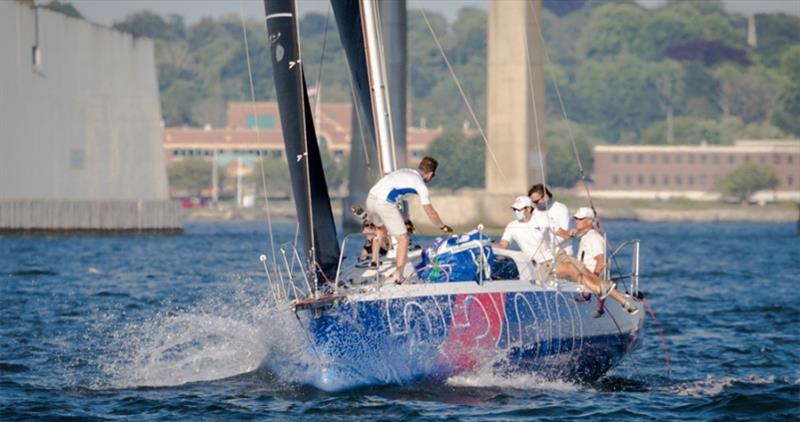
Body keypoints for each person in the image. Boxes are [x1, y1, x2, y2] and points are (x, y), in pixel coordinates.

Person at [498, 196, 638, 315]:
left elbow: (563, 234)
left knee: (588, 273)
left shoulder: (541, 218)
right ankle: (598, 289)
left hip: (557, 255)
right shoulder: (511, 226)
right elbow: (503, 246)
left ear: (528, 209)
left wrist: (570, 234)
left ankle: (625, 303)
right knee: (572, 268)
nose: (516, 212)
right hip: (542, 265)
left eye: (519, 209)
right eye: (514, 209)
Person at [366, 156, 453, 284]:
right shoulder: (420, 184)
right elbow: (430, 212)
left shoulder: (405, 171)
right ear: (430, 174)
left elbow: (392, 201)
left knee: (380, 229)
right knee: (403, 238)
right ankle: (399, 275)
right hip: (383, 203)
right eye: (432, 177)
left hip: (370, 199)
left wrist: (406, 221)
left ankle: (374, 261)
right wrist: (443, 226)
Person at [571, 206, 610, 317]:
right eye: (576, 219)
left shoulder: (594, 238)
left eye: (580, 219)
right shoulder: (585, 237)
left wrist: (591, 283)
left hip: (589, 287)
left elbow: (601, 262)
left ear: (589, 222)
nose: (577, 221)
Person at [528, 184, 573, 255]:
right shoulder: (535, 211)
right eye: (533, 202)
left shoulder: (561, 208)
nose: (535, 204)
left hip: (563, 253)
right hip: (542, 254)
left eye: (536, 201)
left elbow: (565, 233)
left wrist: (545, 244)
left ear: (545, 196)